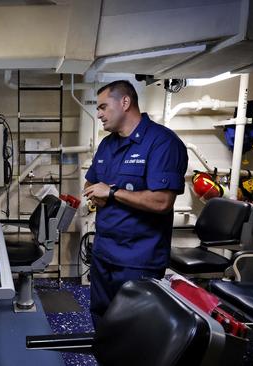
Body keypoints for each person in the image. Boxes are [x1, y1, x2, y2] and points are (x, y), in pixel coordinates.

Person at [82, 80, 188, 327]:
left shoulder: (162, 143)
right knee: (103, 320)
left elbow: (162, 201)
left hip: (138, 260)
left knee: (135, 329)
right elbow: (90, 186)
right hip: (104, 252)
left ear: (125, 102)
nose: (98, 114)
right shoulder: (108, 144)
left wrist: (112, 193)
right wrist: (97, 193)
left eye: (103, 107)